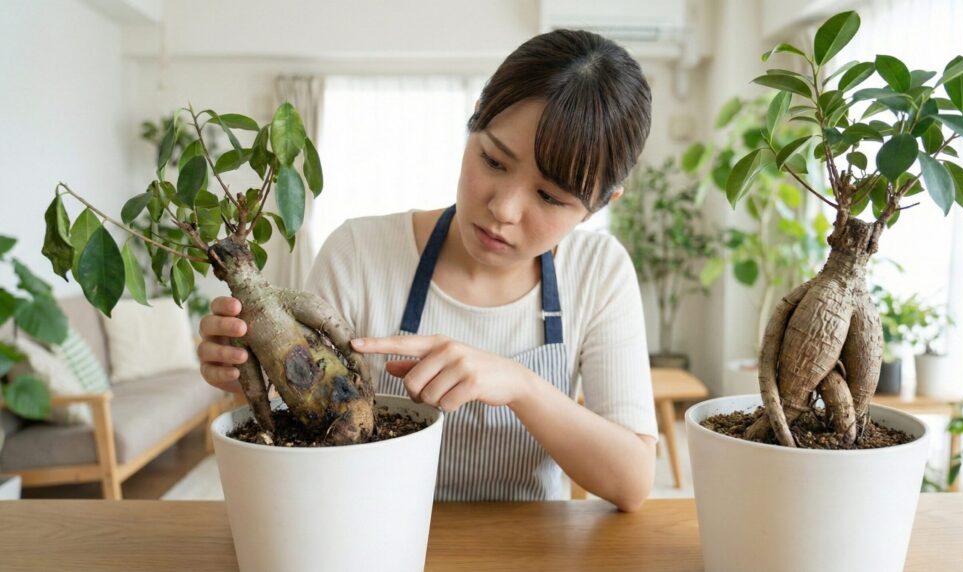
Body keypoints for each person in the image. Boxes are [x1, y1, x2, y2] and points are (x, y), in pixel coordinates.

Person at [198, 29, 658, 512]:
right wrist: (245, 367)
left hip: (528, 543)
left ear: (600, 204)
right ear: (474, 119)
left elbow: (632, 482)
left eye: (549, 196)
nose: (503, 209)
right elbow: (293, 433)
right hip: (361, 529)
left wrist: (521, 386)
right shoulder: (359, 253)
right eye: (493, 161)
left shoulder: (598, 272)